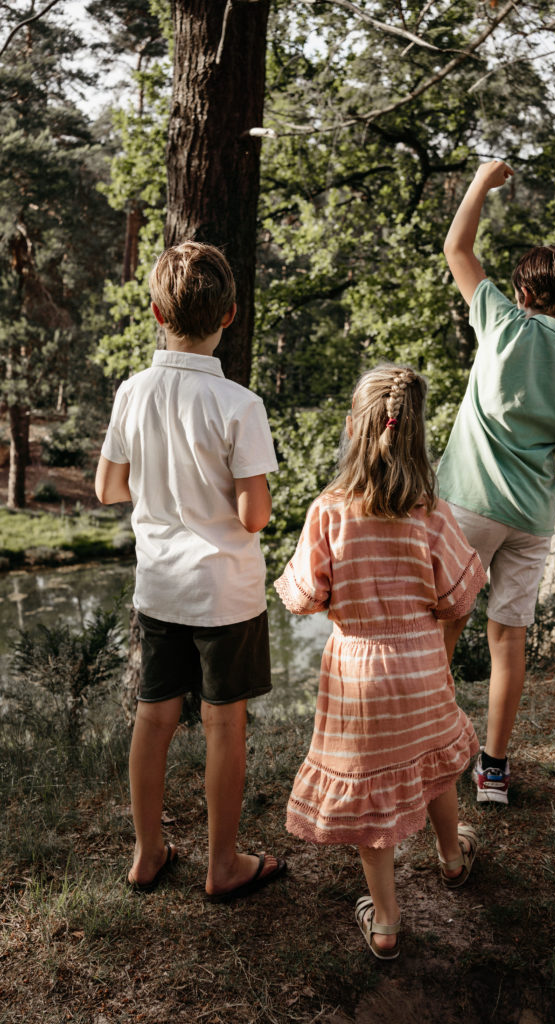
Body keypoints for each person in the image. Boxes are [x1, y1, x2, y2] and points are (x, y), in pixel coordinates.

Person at [274, 364, 487, 960]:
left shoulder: (331, 510)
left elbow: (302, 595)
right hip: (421, 666)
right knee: (434, 763)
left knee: (372, 800)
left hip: (358, 676)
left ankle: (388, 920)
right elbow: (459, 595)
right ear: (418, 437)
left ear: (351, 429)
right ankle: (451, 858)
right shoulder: (430, 511)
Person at [95, 241, 286, 900]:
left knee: (153, 719)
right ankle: (222, 864)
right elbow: (254, 515)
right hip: (223, 592)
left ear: (154, 311)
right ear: (229, 315)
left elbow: (108, 489)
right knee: (222, 724)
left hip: (159, 584)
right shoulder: (239, 405)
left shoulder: (132, 391)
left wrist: (162, 491)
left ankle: (148, 854)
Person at [437, 160, 555, 805]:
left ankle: (429, 747)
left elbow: (457, 247)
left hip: (468, 506)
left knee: (444, 627)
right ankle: (494, 771)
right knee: (509, 639)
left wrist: (482, 180)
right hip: (532, 517)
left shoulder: (502, 323)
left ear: (524, 293)